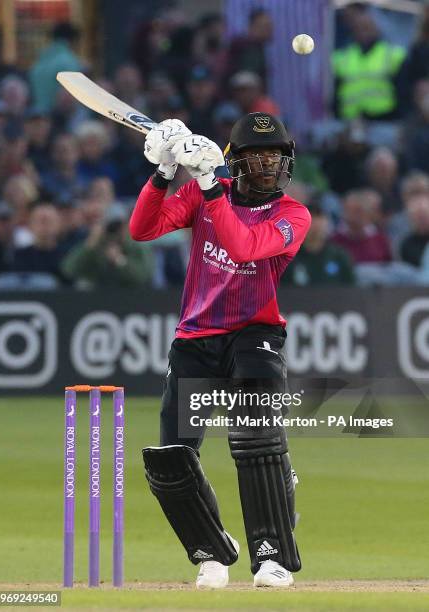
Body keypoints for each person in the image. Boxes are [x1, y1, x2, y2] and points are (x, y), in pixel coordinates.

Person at [129, 113, 311, 588]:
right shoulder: (198, 193)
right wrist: (163, 173)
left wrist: (209, 185)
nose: (269, 165)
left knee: (255, 439)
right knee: (171, 457)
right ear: (238, 161)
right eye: (257, 157)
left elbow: (245, 246)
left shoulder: (293, 214)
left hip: (255, 335)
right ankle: (212, 553)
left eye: (276, 156)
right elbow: (142, 230)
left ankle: (270, 556)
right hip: (195, 338)